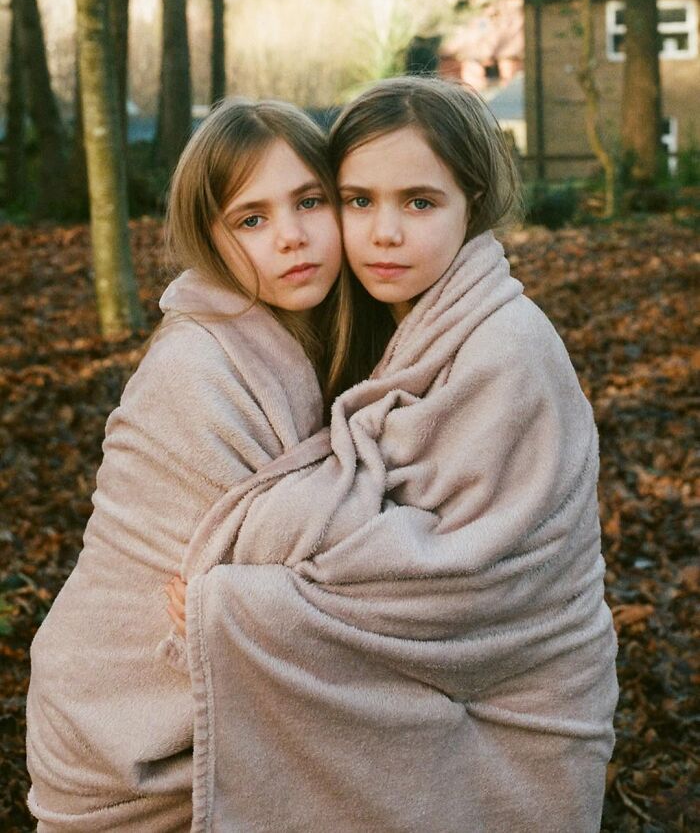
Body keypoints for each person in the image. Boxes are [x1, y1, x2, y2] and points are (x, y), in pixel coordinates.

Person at [167, 77, 618, 833]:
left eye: (419, 202)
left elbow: (468, 581)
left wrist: (240, 604)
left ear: (470, 202)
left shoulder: (508, 349)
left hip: (520, 714)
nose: (383, 232)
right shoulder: (388, 328)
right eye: (356, 200)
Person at [25, 98, 343, 831]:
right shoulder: (194, 363)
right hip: (116, 708)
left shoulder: (331, 335)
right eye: (252, 219)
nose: (291, 237)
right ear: (212, 239)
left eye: (309, 201)